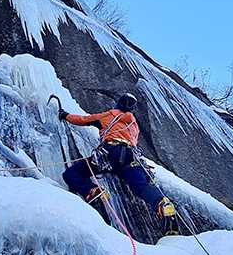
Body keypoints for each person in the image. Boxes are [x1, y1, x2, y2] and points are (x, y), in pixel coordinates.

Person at [60, 92, 179, 236]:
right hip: (132, 158)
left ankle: (93, 191)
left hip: (111, 153)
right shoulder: (133, 124)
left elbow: (84, 120)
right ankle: (161, 204)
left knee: (72, 173)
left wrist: (65, 115)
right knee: (141, 186)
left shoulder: (110, 115)